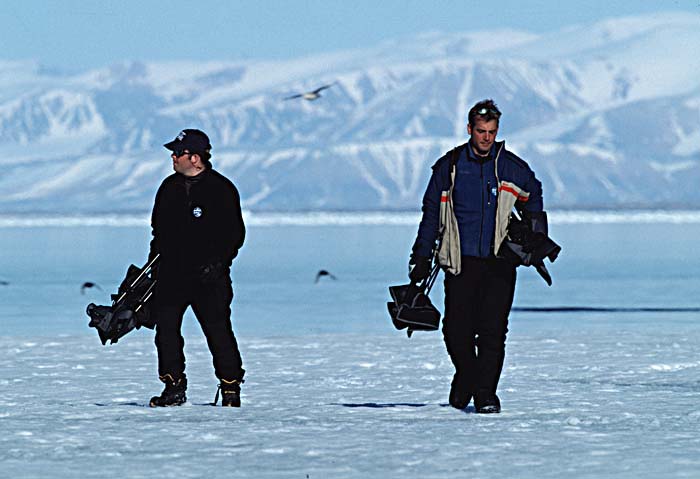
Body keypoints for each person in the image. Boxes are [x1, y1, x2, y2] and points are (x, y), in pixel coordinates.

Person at [410, 99, 546, 413]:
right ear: (469, 129)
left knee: (493, 330)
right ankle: (467, 378)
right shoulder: (450, 166)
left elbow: (533, 192)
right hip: (460, 261)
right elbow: (431, 213)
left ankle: (485, 395)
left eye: (491, 132)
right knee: (455, 329)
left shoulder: (511, 166)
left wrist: (534, 229)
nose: (486, 137)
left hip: (500, 262)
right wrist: (421, 257)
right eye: (481, 131)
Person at [148, 128, 246, 407]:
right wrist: (153, 265)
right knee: (166, 332)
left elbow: (234, 234)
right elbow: (157, 231)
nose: (173, 158)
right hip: (171, 276)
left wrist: (217, 264)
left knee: (218, 331)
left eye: (177, 153)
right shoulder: (168, 188)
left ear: (194, 157)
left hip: (209, 278)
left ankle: (230, 388)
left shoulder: (221, 189)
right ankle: (173, 387)